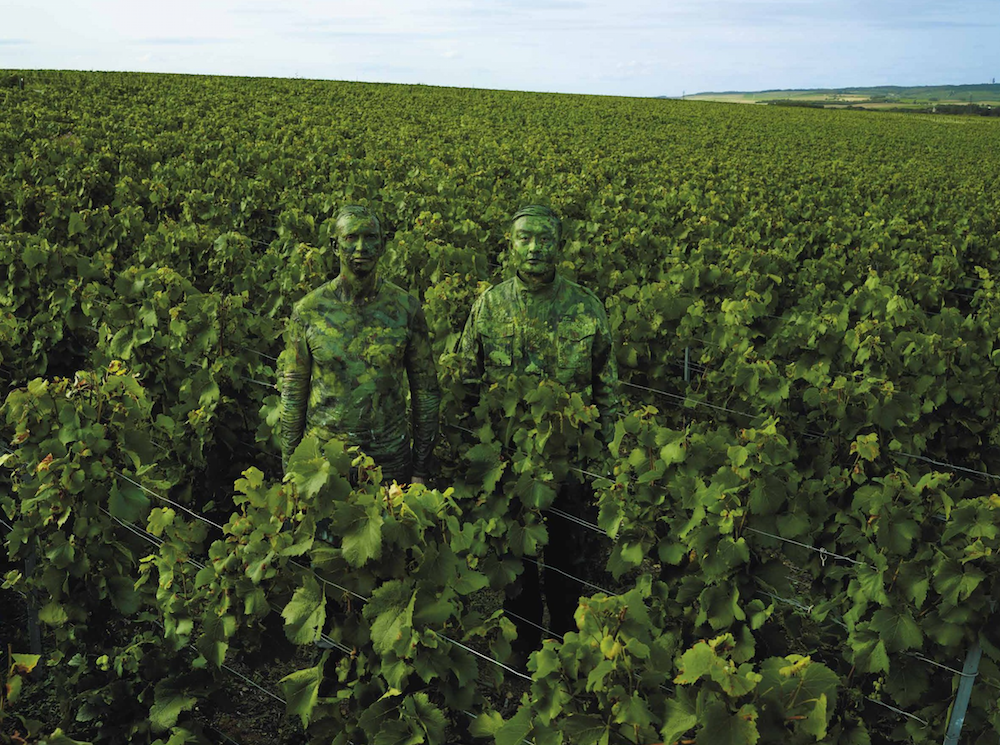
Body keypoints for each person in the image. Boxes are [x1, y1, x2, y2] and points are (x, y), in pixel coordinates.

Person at [455, 204, 619, 658]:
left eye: (544, 239)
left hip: (571, 468)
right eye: (524, 238)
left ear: (560, 246)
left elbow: (607, 390)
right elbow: (467, 384)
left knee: (569, 568)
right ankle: (522, 658)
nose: (534, 248)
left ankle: (566, 655)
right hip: (508, 471)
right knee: (517, 572)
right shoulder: (489, 306)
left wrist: (607, 459)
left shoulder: (586, 307)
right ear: (510, 245)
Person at [280, 205, 441, 487]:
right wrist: (292, 471)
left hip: (391, 465)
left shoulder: (406, 309)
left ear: (382, 245)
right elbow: (294, 395)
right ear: (334, 245)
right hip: (324, 467)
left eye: (370, 237)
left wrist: (420, 470)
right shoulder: (308, 311)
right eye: (351, 237)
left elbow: (425, 393)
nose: (361, 247)